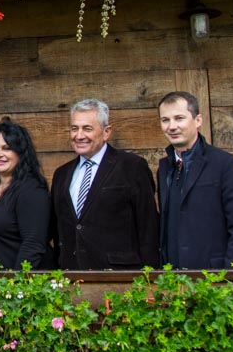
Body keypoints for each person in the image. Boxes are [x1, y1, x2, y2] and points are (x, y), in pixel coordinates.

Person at [50, 99, 159, 270]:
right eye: (74, 128)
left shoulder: (132, 167)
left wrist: (150, 276)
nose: (79, 135)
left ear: (106, 132)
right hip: (72, 274)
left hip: (120, 275)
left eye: (87, 128)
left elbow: (148, 228)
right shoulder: (61, 174)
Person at [157, 91, 233, 269]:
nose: (172, 126)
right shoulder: (164, 168)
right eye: (165, 120)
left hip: (212, 277)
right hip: (171, 277)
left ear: (198, 120)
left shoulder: (225, 164)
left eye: (179, 118)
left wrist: (229, 278)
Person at [0, 118, 55, 270]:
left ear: (20, 152)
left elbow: (33, 245)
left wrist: (15, 281)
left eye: (6, 148)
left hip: (16, 282)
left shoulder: (32, 191)